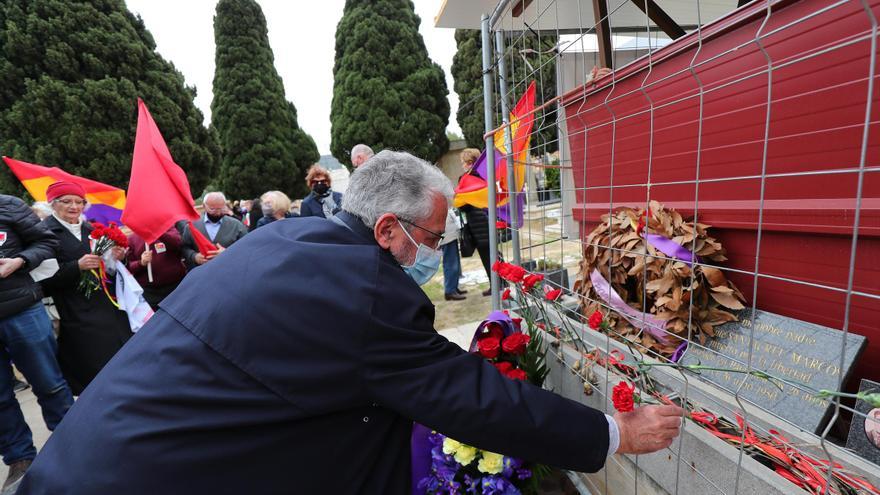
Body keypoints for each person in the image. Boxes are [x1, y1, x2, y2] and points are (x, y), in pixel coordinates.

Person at [16, 151, 683, 494]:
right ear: (387, 228)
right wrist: (611, 431)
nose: (437, 253)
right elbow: (467, 395)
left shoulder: (282, 245)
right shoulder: (361, 289)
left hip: (84, 462)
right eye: (433, 236)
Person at [0, 194, 74, 495]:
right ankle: (20, 460)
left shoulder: (9, 205)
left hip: (22, 311)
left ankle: (73, 446)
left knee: (49, 383)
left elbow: (47, 242)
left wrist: (19, 260)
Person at [39, 181, 131, 396]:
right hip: (73, 308)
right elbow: (42, 280)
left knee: (120, 355)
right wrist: (76, 267)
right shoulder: (44, 233)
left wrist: (116, 260)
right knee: (93, 365)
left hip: (105, 304)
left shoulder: (91, 228)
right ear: (53, 204)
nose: (74, 206)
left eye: (79, 202)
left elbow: (107, 272)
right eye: (66, 201)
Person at [456, 148, 494, 296]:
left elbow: (464, 205)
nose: (462, 166)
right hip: (488, 218)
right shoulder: (485, 175)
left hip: (476, 223)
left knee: (486, 256)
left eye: (463, 163)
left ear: (470, 163)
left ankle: (495, 285)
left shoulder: (465, 179)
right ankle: (500, 283)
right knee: (494, 255)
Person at [181, 192, 247, 270]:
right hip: (201, 273)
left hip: (229, 271)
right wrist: (194, 256)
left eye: (221, 208)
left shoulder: (237, 225)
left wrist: (228, 253)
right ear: (204, 206)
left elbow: (246, 248)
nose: (218, 213)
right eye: (212, 209)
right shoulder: (192, 226)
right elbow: (184, 247)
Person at [125, 226, 186, 310]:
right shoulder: (132, 239)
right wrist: (141, 263)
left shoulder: (169, 229)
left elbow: (177, 244)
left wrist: (158, 232)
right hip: (150, 293)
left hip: (176, 287)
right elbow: (129, 266)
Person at [440, 208, 466, 301]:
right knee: (451, 265)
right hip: (447, 238)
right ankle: (450, 291)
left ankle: (454, 288)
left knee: (455, 264)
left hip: (451, 236)